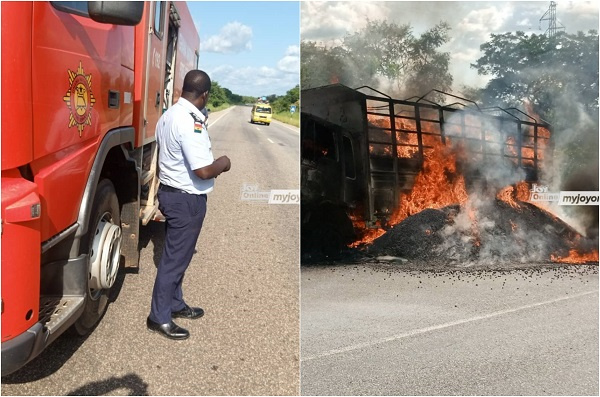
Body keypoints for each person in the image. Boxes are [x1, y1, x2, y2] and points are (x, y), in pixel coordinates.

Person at [147, 70, 231, 340]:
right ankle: (159, 317)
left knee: (178, 257)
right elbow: (203, 171)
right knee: (174, 261)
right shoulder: (189, 122)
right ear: (205, 95)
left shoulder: (169, 115)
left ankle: (175, 303)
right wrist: (224, 163)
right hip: (186, 199)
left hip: (172, 194)